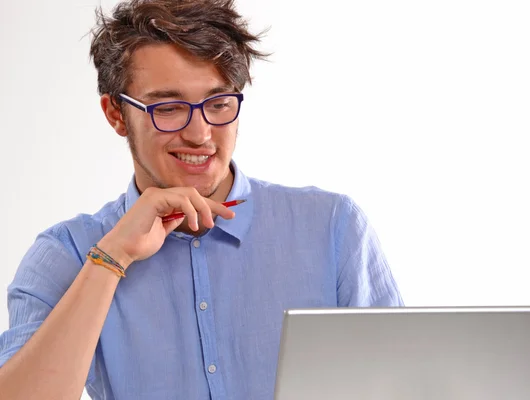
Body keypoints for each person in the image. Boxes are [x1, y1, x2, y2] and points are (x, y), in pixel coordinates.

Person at [0, 0, 402, 398]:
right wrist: (113, 257)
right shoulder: (66, 254)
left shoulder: (331, 228)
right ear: (117, 114)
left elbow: (406, 385)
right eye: (170, 107)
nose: (200, 133)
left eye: (219, 103)